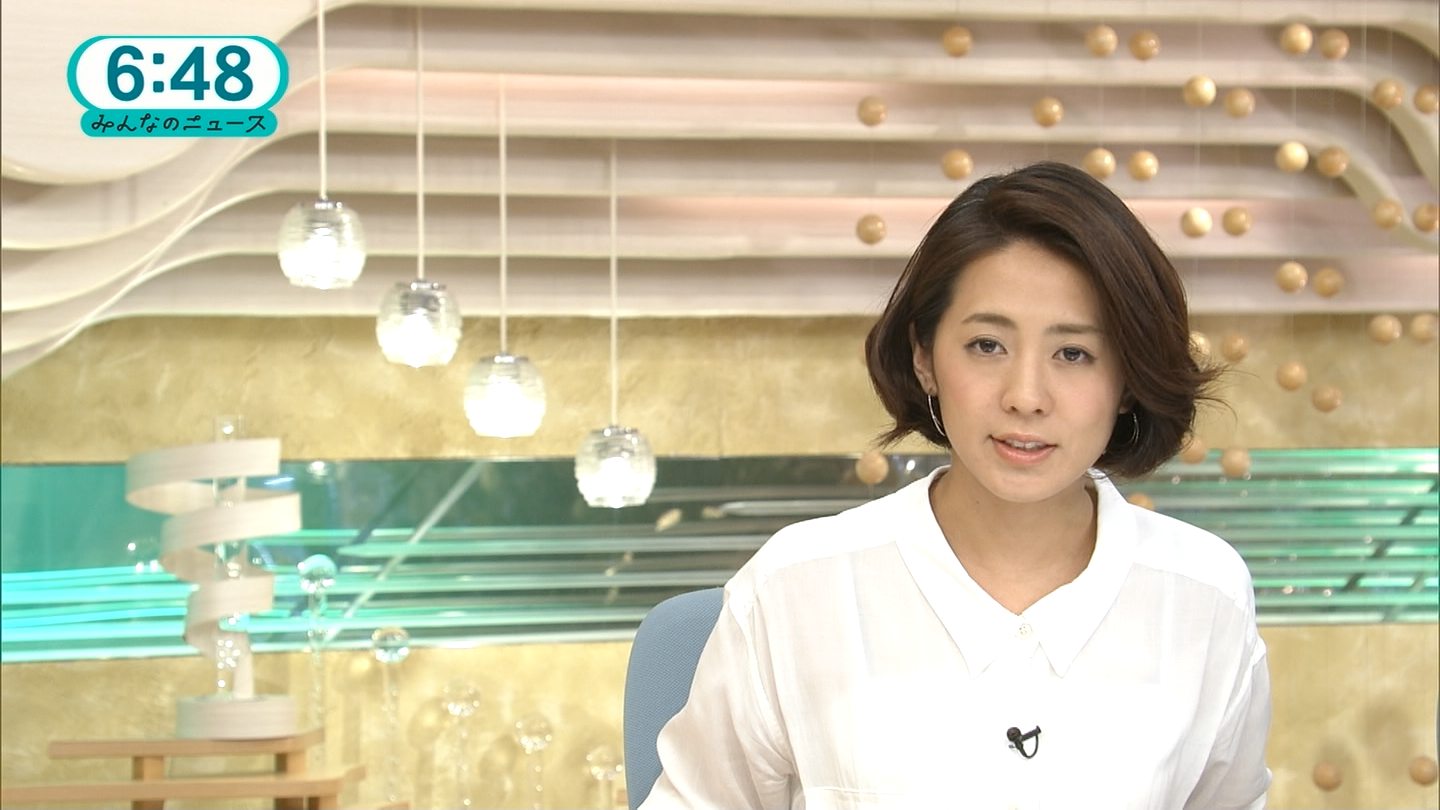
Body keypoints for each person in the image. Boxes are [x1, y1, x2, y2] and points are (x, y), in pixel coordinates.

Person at [640, 161, 1271, 809]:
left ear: (1128, 380)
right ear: (925, 358)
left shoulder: (1205, 597)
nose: (1026, 396)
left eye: (1073, 354)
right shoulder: (796, 587)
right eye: (987, 345)